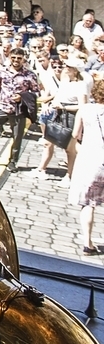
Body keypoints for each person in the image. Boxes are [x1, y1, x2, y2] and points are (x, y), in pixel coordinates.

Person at [0, 47, 41, 172]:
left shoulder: (30, 75)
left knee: (17, 137)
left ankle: (13, 161)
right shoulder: (3, 71)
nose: (16, 60)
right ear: (10, 57)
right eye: (14, 58)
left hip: (18, 110)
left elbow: (36, 93)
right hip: (3, 107)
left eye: (19, 58)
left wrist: (22, 97)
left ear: (23, 59)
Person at [35, 59, 87, 182]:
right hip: (57, 114)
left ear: (75, 70)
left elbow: (82, 105)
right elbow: (58, 96)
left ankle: (69, 176)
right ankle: (41, 169)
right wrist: (51, 105)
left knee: (69, 149)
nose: (65, 67)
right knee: (48, 142)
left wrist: (64, 107)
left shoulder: (81, 85)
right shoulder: (65, 81)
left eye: (68, 66)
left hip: (71, 116)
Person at [68, 79, 104, 255]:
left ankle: (87, 242)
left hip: (90, 159)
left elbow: (75, 134)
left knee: (88, 203)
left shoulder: (85, 109)